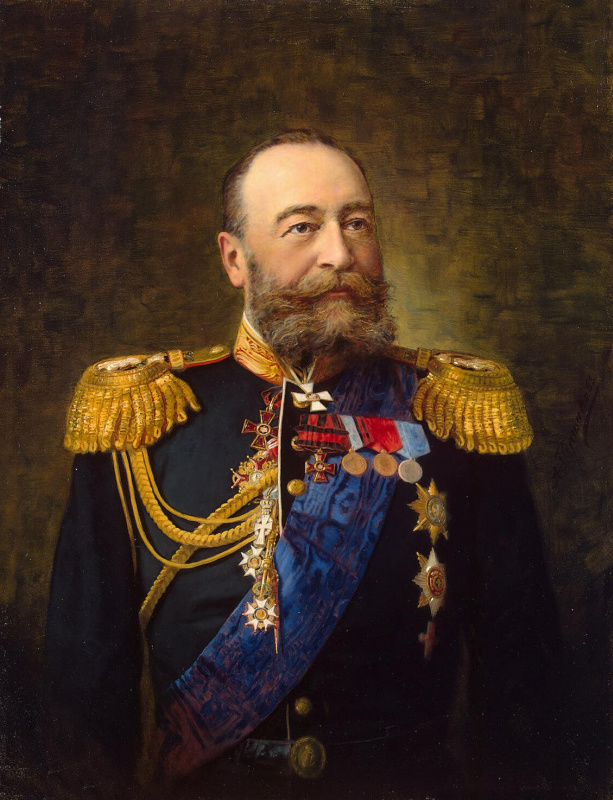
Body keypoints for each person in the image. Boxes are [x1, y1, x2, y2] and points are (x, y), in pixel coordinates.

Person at [45, 129, 566, 800]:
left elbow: (522, 701)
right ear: (235, 259)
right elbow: (84, 715)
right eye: (302, 227)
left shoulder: (453, 415)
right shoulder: (141, 420)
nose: (340, 254)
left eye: (357, 224)